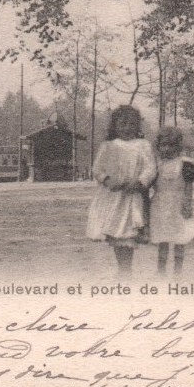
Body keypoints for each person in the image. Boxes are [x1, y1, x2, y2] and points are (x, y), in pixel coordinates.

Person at [86, 105, 157, 276]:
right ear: (115, 126)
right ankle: (122, 268)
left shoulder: (143, 145)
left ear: (137, 126)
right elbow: (97, 168)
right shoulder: (108, 146)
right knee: (117, 233)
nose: (127, 128)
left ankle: (127, 268)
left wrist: (140, 182)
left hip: (133, 195)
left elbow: (150, 168)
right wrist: (107, 180)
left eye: (132, 124)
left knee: (128, 232)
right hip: (114, 196)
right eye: (122, 124)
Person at [149, 127, 194, 276]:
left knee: (180, 239)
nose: (168, 149)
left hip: (179, 204)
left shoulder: (185, 164)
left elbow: (188, 186)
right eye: (164, 145)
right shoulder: (155, 165)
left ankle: (177, 272)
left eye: (172, 145)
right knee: (163, 239)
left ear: (178, 146)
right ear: (158, 146)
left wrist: (187, 202)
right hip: (160, 205)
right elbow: (149, 184)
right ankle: (161, 271)